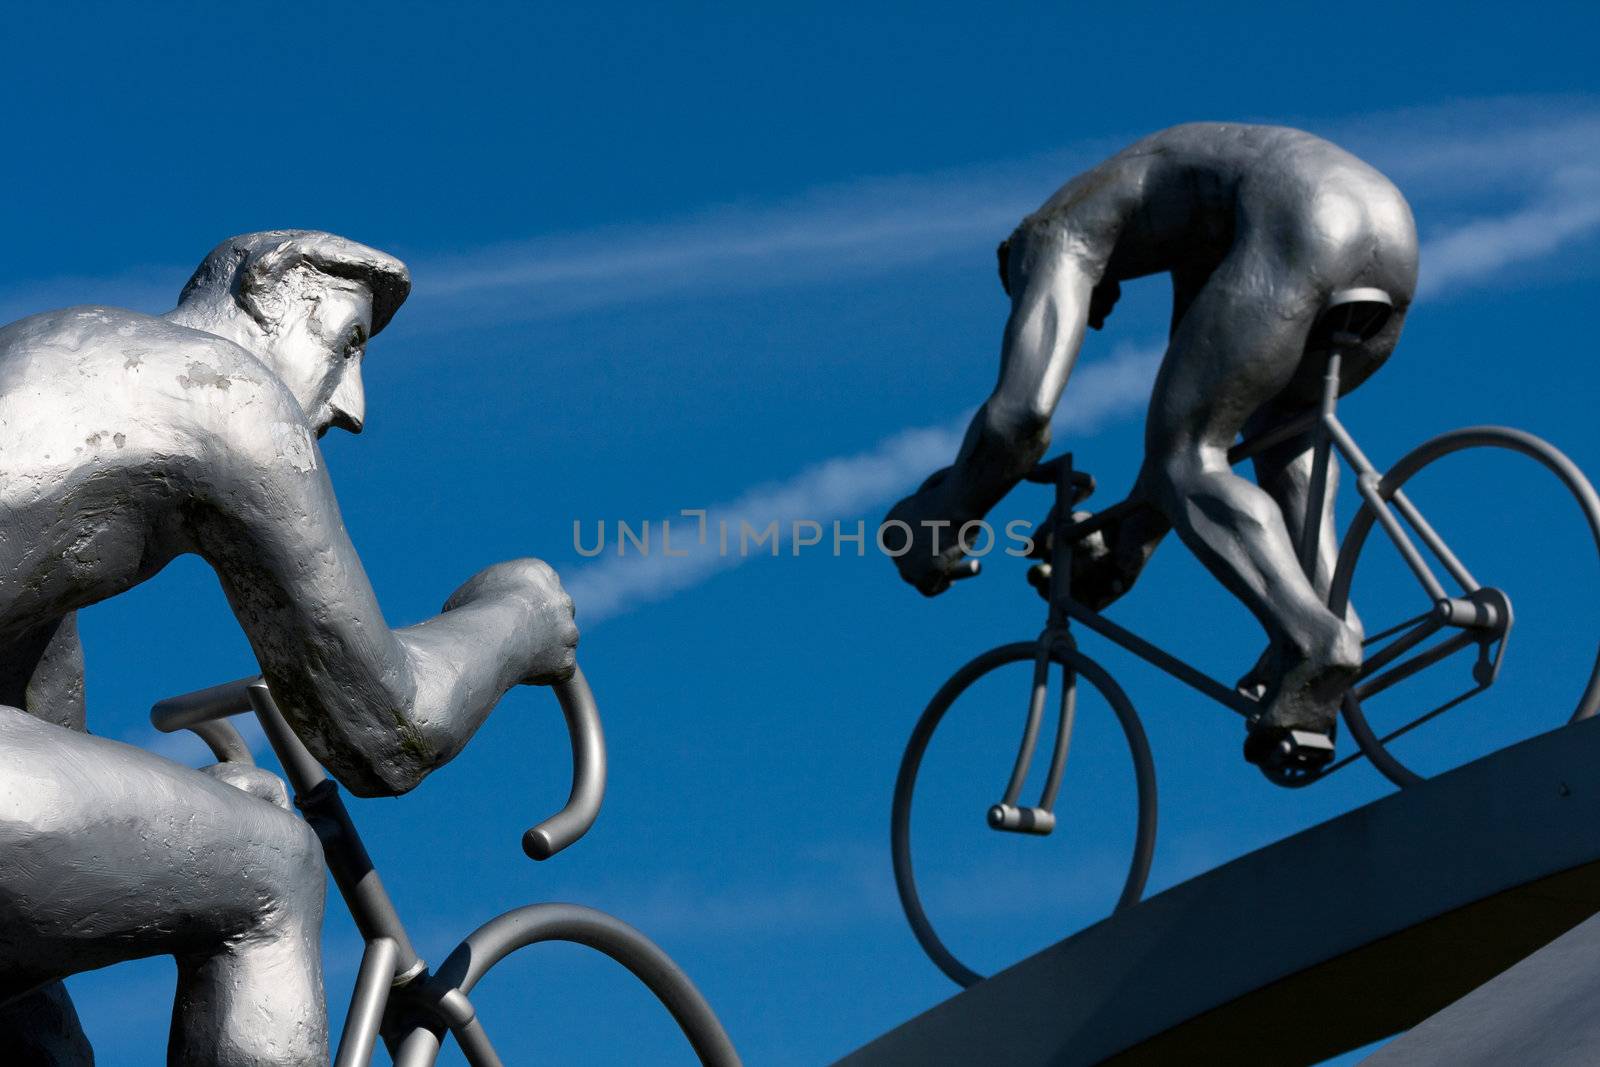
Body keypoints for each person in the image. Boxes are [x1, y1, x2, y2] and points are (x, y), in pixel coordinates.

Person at [0, 231, 579, 1064]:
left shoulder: (58, 363)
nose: (354, 404)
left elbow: (37, 726)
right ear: (264, 286)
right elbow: (384, 728)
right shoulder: (218, 389)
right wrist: (520, 615)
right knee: (273, 873)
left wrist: (183, 814)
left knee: (36, 1024)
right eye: (346, 344)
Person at [886, 123, 1418, 776]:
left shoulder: (1050, 234)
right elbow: (1199, 422)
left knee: (1185, 459)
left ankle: (1313, 642)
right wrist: (1128, 543)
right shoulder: (1192, 231)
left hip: (1303, 213)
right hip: (1387, 225)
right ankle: (1332, 622)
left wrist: (941, 517)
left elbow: (1019, 418)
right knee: (1280, 435)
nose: (1095, 313)